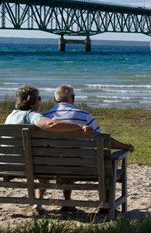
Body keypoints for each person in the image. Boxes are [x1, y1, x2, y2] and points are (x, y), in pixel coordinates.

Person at [43, 84, 135, 213]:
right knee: (105, 165)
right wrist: (124, 146)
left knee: (65, 157)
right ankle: (105, 205)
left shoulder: (44, 118)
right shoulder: (83, 115)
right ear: (73, 98)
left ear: (54, 99)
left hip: (54, 167)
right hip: (85, 167)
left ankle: (67, 202)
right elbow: (104, 140)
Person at [5, 85, 95, 214]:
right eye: (39, 98)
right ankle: (62, 201)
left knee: (45, 159)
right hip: (28, 166)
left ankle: (38, 202)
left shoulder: (11, 116)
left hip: (9, 164)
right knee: (49, 160)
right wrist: (80, 126)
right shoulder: (32, 116)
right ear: (35, 101)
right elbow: (51, 124)